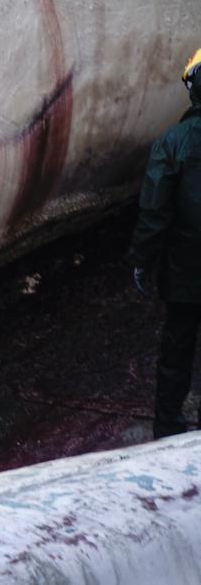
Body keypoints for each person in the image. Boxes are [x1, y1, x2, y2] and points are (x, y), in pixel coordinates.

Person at [129, 49, 201, 439]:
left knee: (176, 351)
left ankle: (169, 429)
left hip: (185, 272)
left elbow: (154, 212)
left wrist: (143, 260)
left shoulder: (172, 143)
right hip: (185, 271)